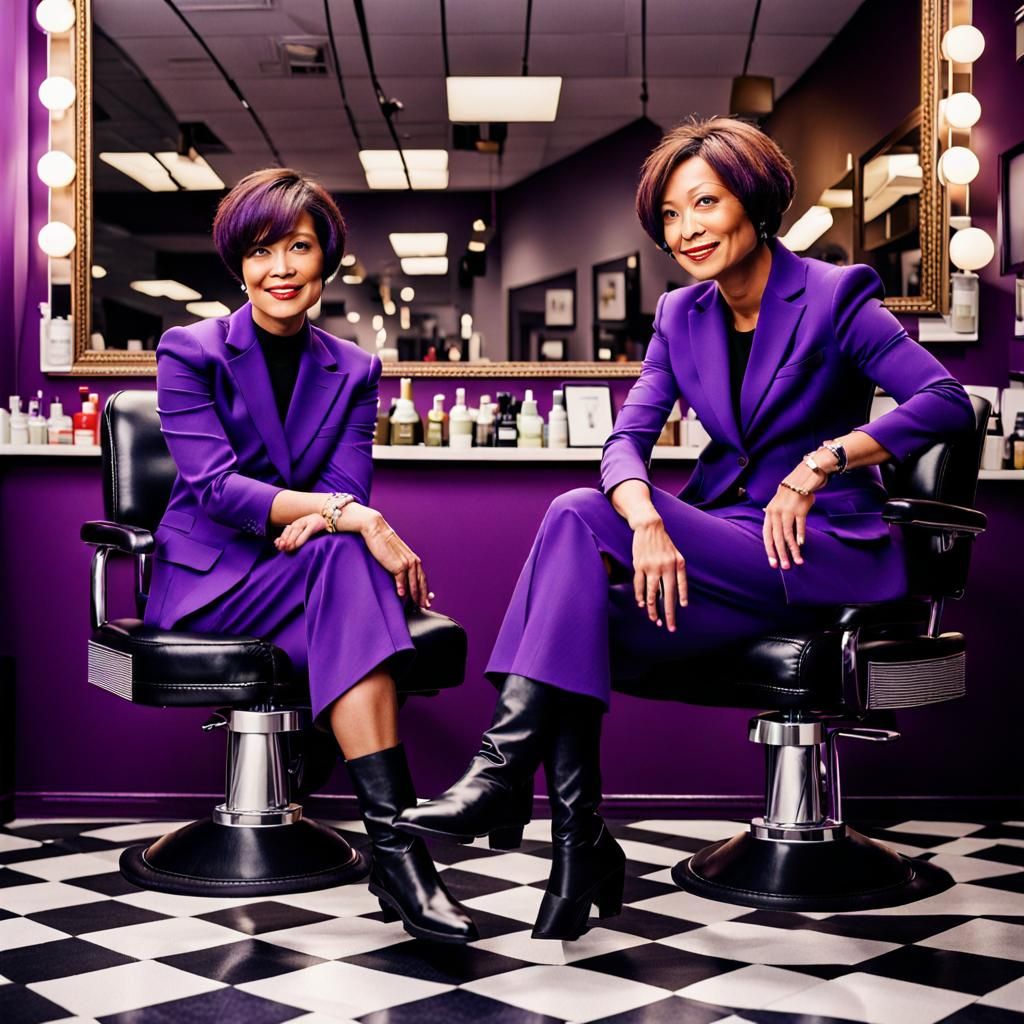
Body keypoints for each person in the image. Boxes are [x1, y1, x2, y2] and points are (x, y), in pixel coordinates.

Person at [395, 117, 976, 941]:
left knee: (570, 513)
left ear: (756, 202)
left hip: (820, 552)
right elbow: (626, 439)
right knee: (577, 616)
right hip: (729, 544)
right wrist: (645, 518)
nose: (686, 229)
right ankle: (577, 847)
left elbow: (948, 403)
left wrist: (823, 463)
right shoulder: (680, 314)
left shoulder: (835, 295)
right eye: (669, 214)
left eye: (705, 202)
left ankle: (501, 772)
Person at [144, 168, 476, 944]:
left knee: (346, 559)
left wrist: (336, 513)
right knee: (352, 557)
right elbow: (220, 490)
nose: (282, 269)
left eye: (298, 247)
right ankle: (400, 853)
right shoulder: (188, 350)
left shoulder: (355, 369)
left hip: (305, 571)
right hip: (209, 581)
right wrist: (340, 514)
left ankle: (396, 855)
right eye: (262, 251)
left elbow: (343, 484)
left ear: (326, 258)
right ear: (239, 263)